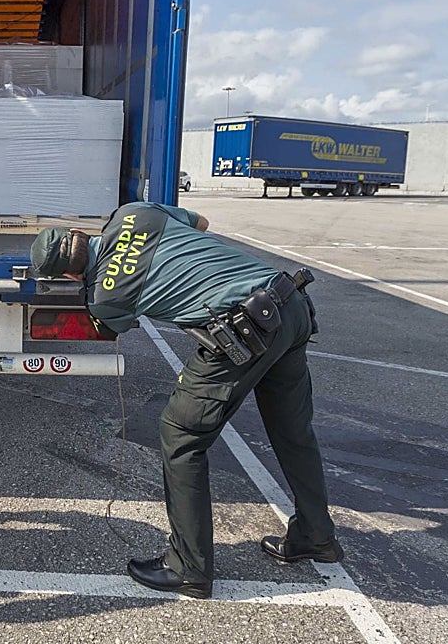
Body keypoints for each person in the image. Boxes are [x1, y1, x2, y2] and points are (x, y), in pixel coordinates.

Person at [29, 201, 342, 600]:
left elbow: (110, 327)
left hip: (246, 329)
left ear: (69, 274)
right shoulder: (134, 214)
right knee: (292, 430)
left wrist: (92, 289)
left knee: (180, 435)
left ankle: (188, 567)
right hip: (288, 302)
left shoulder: (106, 295)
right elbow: (203, 223)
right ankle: (316, 536)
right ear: (76, 233)